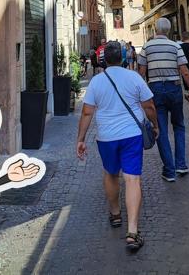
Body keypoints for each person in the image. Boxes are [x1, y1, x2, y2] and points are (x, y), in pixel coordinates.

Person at [76, 41, 158, 253]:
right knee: (132, 178)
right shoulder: (134, 77)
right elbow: (149, 105)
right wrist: (155, 125)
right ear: (122, 58)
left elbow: (87, 112)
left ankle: (115, 213)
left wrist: (81, 139)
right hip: (132, 134)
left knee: (111, 173)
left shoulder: (96, 81)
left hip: (107, 136)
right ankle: (132, 232)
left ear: (104, 60)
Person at [137, 18, 189, 182]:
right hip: (174, 88)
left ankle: (169, 170)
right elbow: (185, 71)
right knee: (179, 126)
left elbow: (141, 72)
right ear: (169, 30)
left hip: (155, 89)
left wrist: (138, 92)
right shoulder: (176, 46)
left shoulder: (147, 47)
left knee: (159, 129)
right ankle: (181, 164)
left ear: (155, 29)